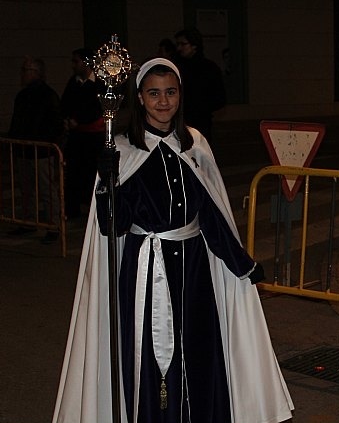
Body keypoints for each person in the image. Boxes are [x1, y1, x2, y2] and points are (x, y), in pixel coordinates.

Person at [52, 58, 293, 423]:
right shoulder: (122, 149)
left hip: (195, 269)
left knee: (197, 349)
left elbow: (211, 214)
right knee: (150, 353)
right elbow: (112, 228)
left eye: (170, 92)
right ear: (140, 98)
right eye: (154, 93)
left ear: (180, 95)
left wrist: (241, 262)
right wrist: (108, 186)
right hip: (144, 271)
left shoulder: (194, 144)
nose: (163, 101)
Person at [7, 56, 64, 244]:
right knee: (26, 189)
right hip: (24, 150)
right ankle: (28, 221)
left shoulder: (48, 95)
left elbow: (55, 123)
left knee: (47, 189)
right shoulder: (22, 96)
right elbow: (17, 121)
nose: (23, 74)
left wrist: (48, 142)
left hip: (42, 151)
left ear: (37, 73)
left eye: (27, 70)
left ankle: (54, 225)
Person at [60, 47, 106, 219]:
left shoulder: (99, 83)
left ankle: (92, 209)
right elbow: (65, 103)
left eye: (76, 61)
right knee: (73, 174)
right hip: (76, 136)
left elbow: (97, 108)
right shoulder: (74, 82)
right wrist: (67, 119)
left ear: (86, 62)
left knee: (91, 174)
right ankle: (73, 209)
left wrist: (80, 120)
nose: (73, 65)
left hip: (93, 137)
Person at [174, 28, 226, 144]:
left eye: (183, 44)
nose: (179, 48)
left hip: (201, 123)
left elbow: (220, 98)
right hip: (179, 122)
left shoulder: (209, 68)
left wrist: (201, 107)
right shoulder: (176, 67)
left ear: (194, 45)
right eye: (177, 44)